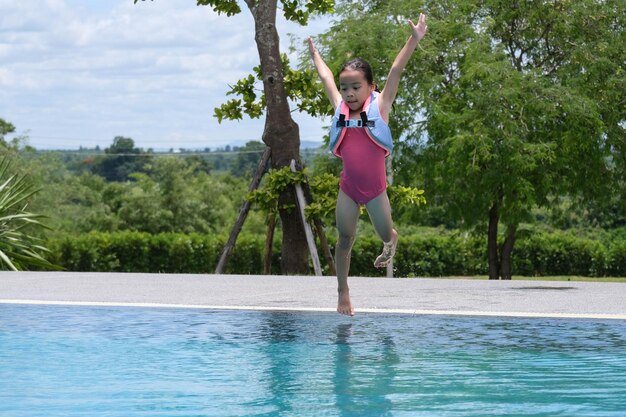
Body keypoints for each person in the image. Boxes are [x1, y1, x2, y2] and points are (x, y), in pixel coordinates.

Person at [308, 14, 427, 316]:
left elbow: (397, 70)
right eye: (345, 88)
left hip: (375, 191)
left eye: (356, 88)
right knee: (345, 238)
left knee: (385, 234)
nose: (349, 93)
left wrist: (413, 39)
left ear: (370, 86)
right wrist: (315, 55)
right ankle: (342, 292)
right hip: (349, 188)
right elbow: (325, 78)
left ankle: (391, 240)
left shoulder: (381, 106)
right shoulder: (340, 108)